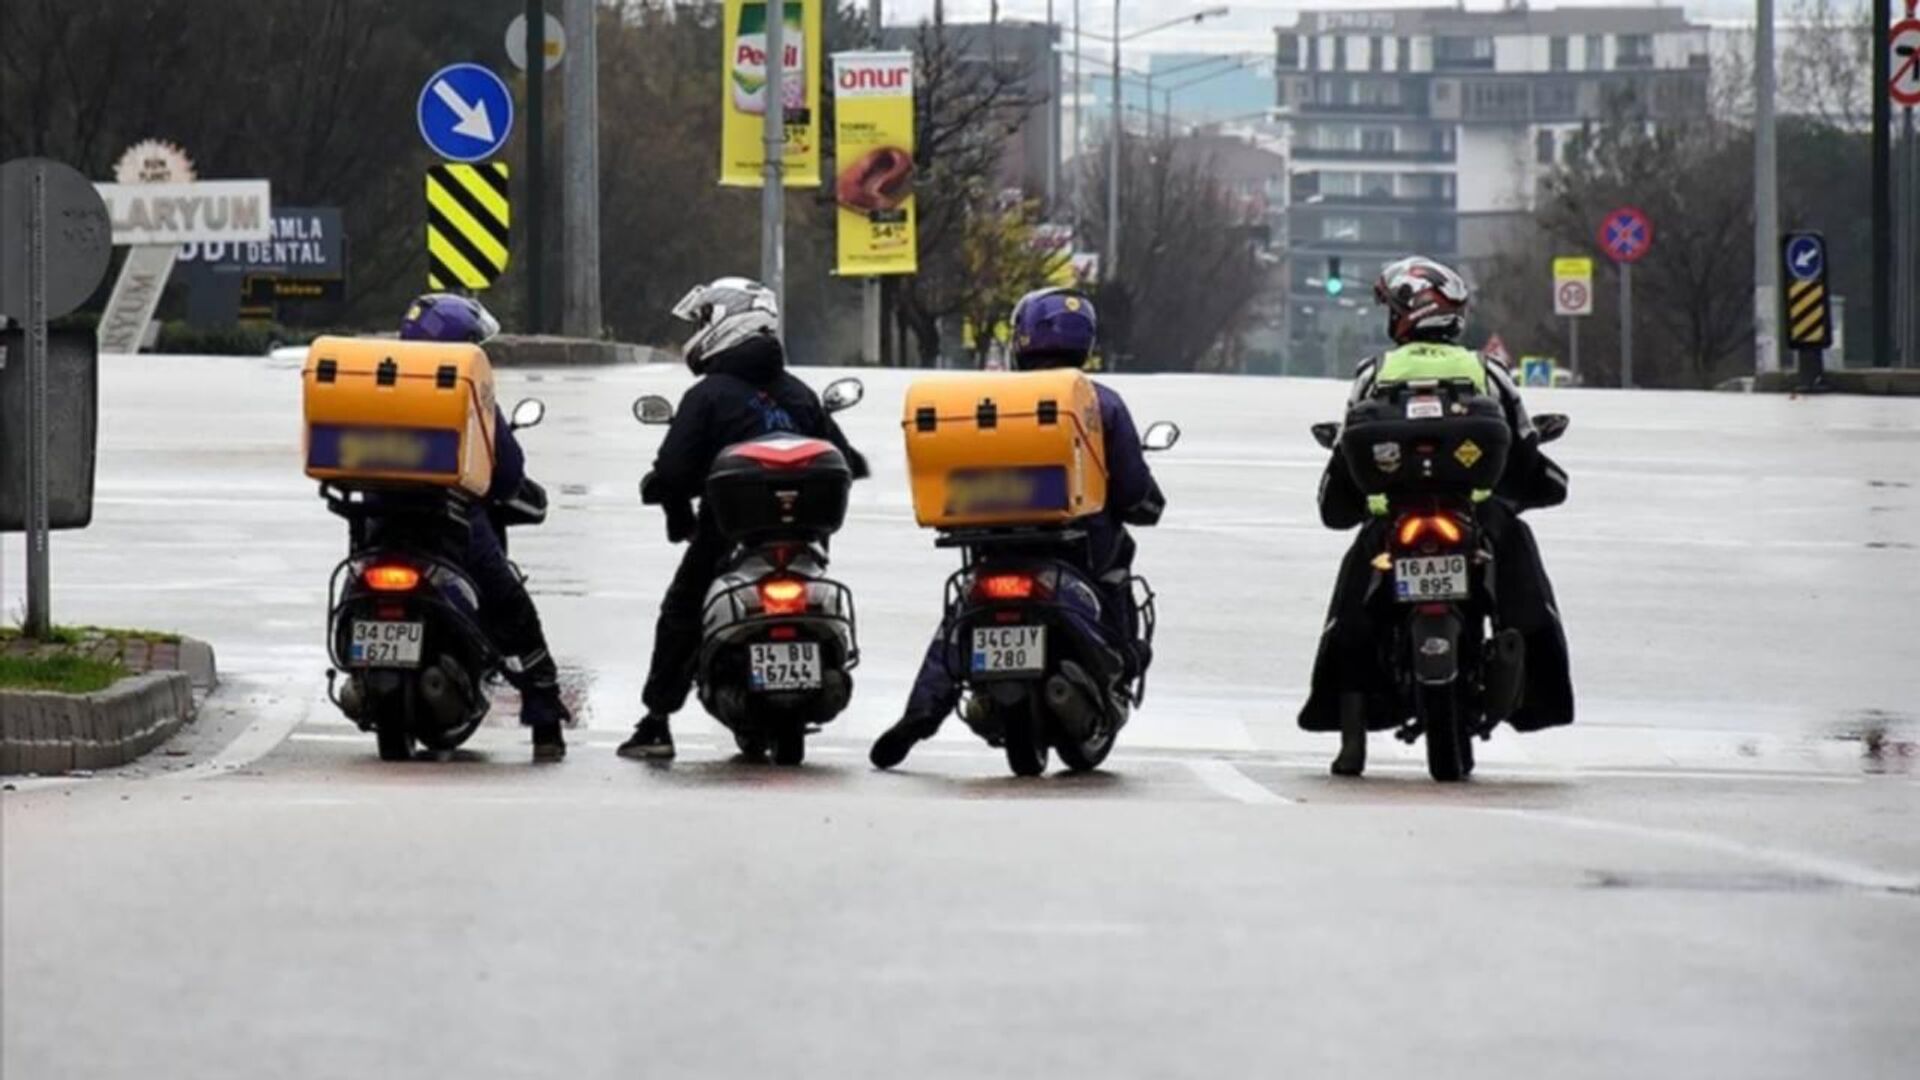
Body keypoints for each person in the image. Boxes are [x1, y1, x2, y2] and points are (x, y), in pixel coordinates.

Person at [869, 287, 1166, 770]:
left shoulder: (991, 400)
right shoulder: (1102, 403)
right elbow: (1133, 490)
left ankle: (919, 715)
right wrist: (1146, 502)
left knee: (960, 615)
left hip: (996, 547)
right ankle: (1123, 660)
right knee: (1116, 576)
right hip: (1082, 551)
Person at [1300, 256, 1573, 777]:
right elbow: (1523, 446)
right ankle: (1537, 695)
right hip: (1476, 514)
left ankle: (1351, 737)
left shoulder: (1374, 373)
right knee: (1524, 585)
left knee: (1352, 604)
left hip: (1391, 520)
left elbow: (1346, 458)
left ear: (1407, 312)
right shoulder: (1486, 370)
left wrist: (1345, 501)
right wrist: (1543, 483)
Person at [618, 277, 866, 761]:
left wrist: (670, 503)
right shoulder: (799, 394)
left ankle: (656, 723)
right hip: (805, 545)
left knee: (682, 611)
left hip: (727, 538)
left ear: (728, 322)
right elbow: (847, 461)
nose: (699, 330)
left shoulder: (708, 395)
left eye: (705, 319)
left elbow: (673, 471)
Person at [394, 293, 571, 762]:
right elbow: (508, 473)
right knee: (514, 611)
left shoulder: (380, 387)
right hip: (453, 531)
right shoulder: (468, 397)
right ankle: (545, 720)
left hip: (381, 527)